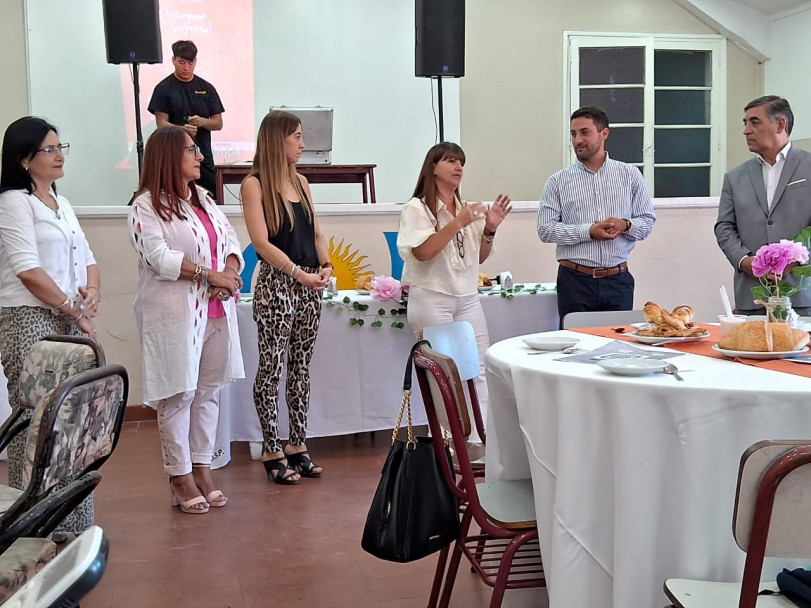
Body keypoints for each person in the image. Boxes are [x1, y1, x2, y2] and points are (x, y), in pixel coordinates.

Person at [128, 126, 244, 514]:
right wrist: (210, 276)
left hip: (215, 310)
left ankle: (202, 466)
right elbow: (158, 258)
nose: (200, 157)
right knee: (178, 394)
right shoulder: (146, 204)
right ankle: (179, 475)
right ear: (168, 157)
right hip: (173, 314)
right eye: (191, 150)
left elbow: (230, 241)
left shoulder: (205, 199)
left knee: (209, 391)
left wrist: (228, 272)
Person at [0, 116, 99, 533]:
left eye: (62, 147)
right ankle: (33, 529)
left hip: (68, 318)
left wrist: (91, 292)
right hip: (29, 321)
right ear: (24, 158)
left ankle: (72, 525)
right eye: (49, 149)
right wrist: (72, 307)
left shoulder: (61, 201)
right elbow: (27, 270)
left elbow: (88, 256)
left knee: (75, 422)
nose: (60, 156)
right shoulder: (13, 202)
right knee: (38, 423)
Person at [241, 110, 332, 485]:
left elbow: (316, 231)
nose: (302, 143)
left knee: (300, 368)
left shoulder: (302, 181)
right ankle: (270, 446)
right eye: (296, 136)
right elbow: (261, 243)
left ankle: (297, 442)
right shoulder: (254, 184)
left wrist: (325, 265)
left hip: (309, 285)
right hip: (278, 285)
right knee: (272, 367)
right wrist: (297, 273)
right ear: (277, 139)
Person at [397, 142, 512, 438]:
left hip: (468, 298)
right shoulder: (417, 208)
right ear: (433, 167)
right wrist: (456, 223)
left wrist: (490, 229)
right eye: (451, 161)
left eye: (461, 162)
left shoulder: (467, 209)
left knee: (480, 369)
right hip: (432, 298)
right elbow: (423, 252)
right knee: (444, 376)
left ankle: (482, 441)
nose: (459, 167)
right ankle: (453, 441)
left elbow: (480, 256)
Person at [537, 106, 655, 323]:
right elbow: (545, 230)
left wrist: (625, 225)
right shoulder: (557, 181)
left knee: (617, 349)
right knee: (576, 350)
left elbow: (647, 222)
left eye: (584, 132)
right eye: (573, 134)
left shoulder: (630, 175)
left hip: (618, 280)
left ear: (604, 134)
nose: (577, 140)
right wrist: (588, 232)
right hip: (574, 282)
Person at [715, 95, 811, 315]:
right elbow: (724, 227)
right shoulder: (734, 177)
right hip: (752, 299)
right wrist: (744, 261)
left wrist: (797, 261)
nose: (746, 130)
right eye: (745, 123)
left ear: (780, 124)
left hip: (804, 297)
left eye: (754, 122)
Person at [148, 40, 224, 197]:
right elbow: (161, 124)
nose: (186, 68)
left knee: (210, 197)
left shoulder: (206, 88)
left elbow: (218, 123)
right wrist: (180, 129)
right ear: (174, 60)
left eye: (190, 63)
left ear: (195, 61)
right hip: (173, 156)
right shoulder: (163, 89)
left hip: (203, 156)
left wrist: (202, 121)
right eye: (182, 62)